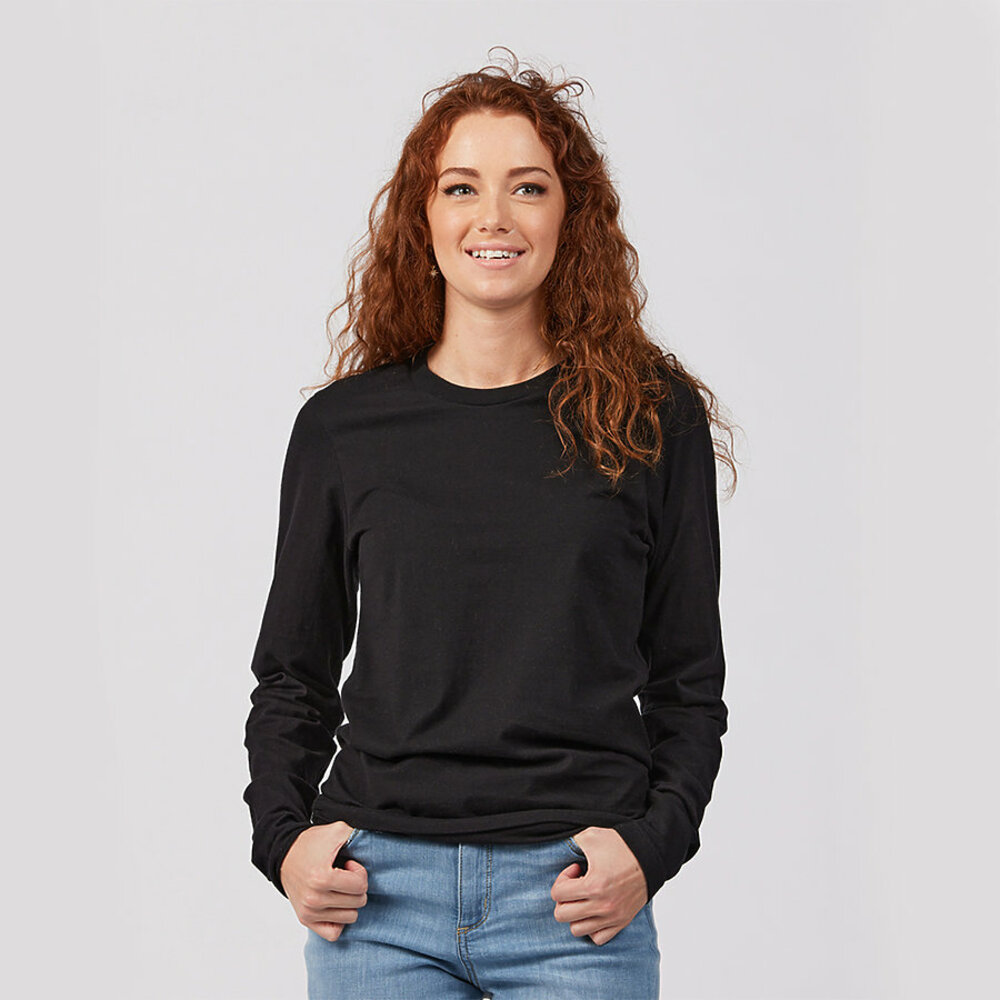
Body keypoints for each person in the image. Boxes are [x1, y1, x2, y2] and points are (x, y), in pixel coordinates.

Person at [242, 48, 738, 1000]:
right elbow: (292, 674)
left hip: (574, 904)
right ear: (422, 217)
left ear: (570, 216)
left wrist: (652, 847)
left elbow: (688, 678)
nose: (494, 217)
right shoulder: (345, 431)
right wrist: (283, 842)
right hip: (377, 900)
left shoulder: (647, 418)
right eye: (462, 186)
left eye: (529, 186)